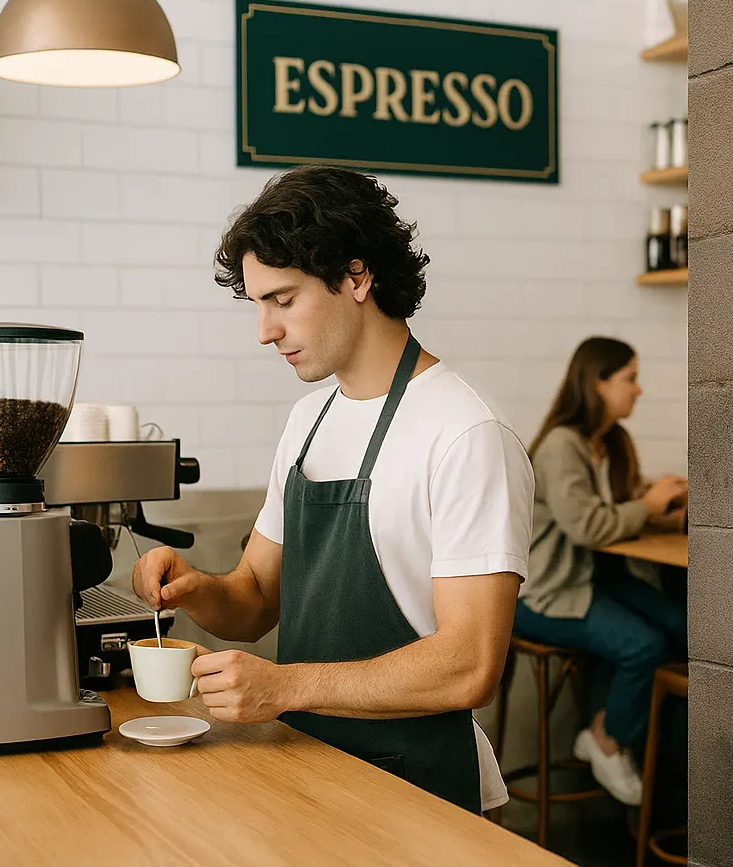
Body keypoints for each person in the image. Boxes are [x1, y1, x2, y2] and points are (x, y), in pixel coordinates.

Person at [130, 166, 533, 816]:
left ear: (356, 276)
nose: (264, 330)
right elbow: (258, 599)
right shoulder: (309, 422)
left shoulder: (465, 432)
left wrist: (284, 687)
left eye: (282, 300)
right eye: (257, 304)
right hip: (309, 767)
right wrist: (195, 586)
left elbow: (471, 663)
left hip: (419, 792)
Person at [512, 337, 688, 806]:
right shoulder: (561, 445)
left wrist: (659, 510)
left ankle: (660, 759)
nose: (639, 390)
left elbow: (613, 507)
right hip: (546, 594)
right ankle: (606, 737)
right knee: (644, 644)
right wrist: (647, 505)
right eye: (630, 378)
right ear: (597, 382)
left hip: (594, 579)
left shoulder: (609, 442)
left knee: (682, 625)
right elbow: (588, 525)